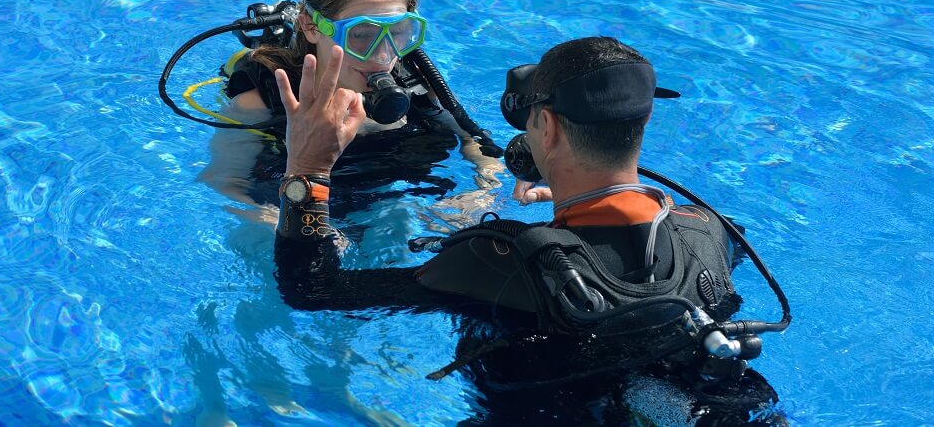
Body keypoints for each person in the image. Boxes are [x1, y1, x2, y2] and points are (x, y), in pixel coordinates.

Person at [269, 36, 789, 424]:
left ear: (547, 127)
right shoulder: (712, 231)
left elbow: (313, 290)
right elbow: (649, 234)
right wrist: (581, 203)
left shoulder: (499, 260)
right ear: (642, 124)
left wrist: (308, 172)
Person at [197, 0, 503, 219]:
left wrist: (483, 190)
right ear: (311, 26)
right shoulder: (260, 104)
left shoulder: (418, 85)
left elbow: (477, 143)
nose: (383, 55)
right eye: (360, 35)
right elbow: (224, 181)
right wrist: (272, 218)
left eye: (397, 33)